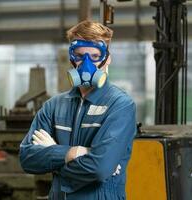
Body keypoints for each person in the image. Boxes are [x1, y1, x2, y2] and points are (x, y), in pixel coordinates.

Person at [19, 20, 137, 200]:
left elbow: (99, 168)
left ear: (108, 59)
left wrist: (54, 153)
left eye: (95, 56)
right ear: (71, 58)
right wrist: (75, 152)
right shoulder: (54, 105)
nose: (86, 64)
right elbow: (28, 159)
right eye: (80, 55)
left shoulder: (120, 105)